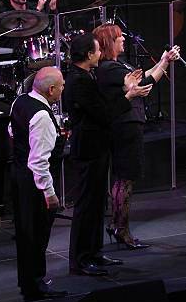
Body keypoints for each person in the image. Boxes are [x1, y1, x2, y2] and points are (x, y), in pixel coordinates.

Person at [64, 33, 152, 275]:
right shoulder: (79, 81)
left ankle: (95, 253)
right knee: (86, 206)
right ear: (89, 55)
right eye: (97, 51)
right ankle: (81, 259)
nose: (100, 54)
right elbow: (103, 113)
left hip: (98, 147)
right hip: (88, 148)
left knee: (96, 205)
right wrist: (129, 95)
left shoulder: (87, 76)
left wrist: (126, 87)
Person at [93, 23, 180, 249]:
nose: (123, 40)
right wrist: (162, 64)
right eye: (119, 37)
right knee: (125, 177)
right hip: (124, 125)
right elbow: (141, 83)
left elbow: (145, 78)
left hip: (129, 123)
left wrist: (164, 61)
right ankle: (120, 228)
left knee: (126, 177)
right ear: (108, 42)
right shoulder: (109, 68)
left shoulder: (117, 65)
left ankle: (118, 226)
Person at [0, 0, 60, 230]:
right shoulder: (1, 21)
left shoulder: (33, 16)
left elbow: (41, 32)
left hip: (31, 76)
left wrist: (46, 10)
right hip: (9, 83)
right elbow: (6, 46)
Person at [9, 67, 68, 300]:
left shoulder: (20, 101)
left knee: (25, 234)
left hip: (20, 176)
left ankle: (28, 283)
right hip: (34, 183)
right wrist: (49, 193)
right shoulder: (43, 116)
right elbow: (39, 162)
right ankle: (35, 284)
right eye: (61, 85)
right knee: (37, 235)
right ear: (51, 89)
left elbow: (12, 131)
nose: (63, 89)